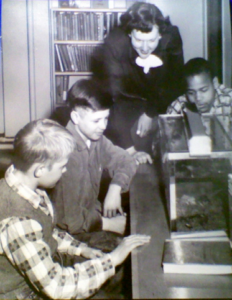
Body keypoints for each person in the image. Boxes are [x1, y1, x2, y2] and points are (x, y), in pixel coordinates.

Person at [0, 118, 150, 299]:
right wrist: (112, 260)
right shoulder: (18, 221)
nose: (64, 171)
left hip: (45, 271)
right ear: (39, 170)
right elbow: (57, 288)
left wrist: (81, 249)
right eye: (62, 166)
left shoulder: (26, 185)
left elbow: (47, 230)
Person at [91, 1, 184, 162]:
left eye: (152, 41)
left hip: (159, 92)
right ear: (129, 34)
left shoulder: (172, 38)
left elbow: (175, 83)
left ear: (161, 35)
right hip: (127, 93)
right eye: (139, 40)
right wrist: (131, 151)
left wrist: (150, 112)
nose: (145, 48)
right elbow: (112, 96)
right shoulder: (115, 44)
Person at [50, 79, 137, 245]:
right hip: (69, 236)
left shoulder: (96, 139)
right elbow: (69, 221)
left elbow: (126, 160)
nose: (103, 126)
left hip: (91, 217)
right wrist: (109, 224)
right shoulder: (66, 155)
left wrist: (115, 187)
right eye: (97, 120)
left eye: (106, 118)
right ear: (76, 117)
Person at [166, 57, 232, 133]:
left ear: (215, 83)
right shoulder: (178, 108)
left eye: (203, 90)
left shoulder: (229, 100)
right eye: (191, 93)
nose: (198, 98)